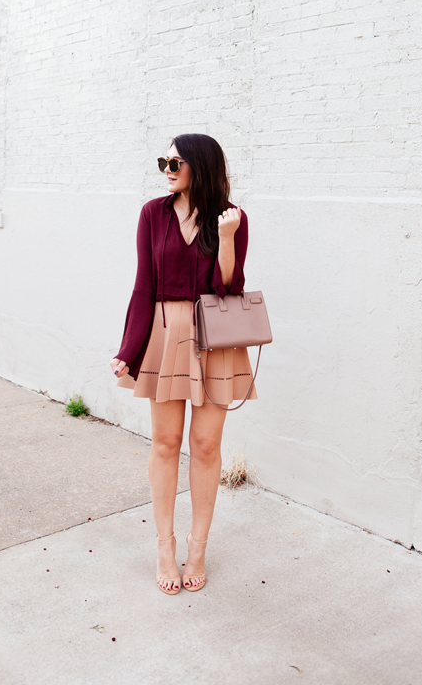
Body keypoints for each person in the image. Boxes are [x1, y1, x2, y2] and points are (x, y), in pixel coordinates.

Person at [110, 133, 257, 594]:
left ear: (200, 166)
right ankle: (164, 547)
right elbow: (143, 285)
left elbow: (227, 287)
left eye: (176, 162)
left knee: (207, 445)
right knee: (166, 442)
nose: (168, 170)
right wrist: (129, 349)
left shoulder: (231, 218)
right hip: (167, 332)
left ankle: (198, 548)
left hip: (214, 334)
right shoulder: (153, 214)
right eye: (163, 162)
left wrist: (228, 238)